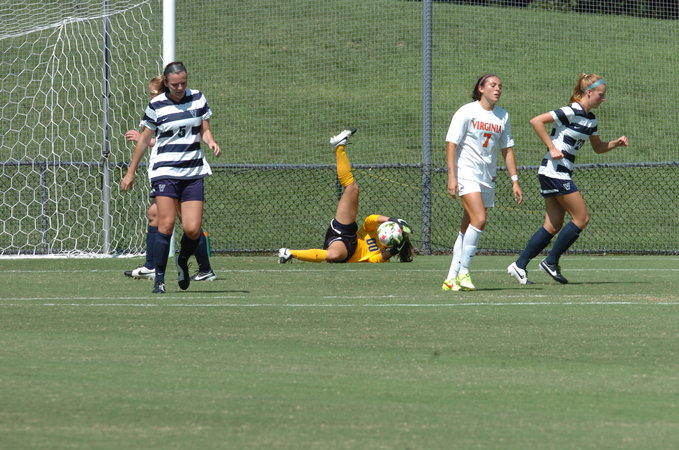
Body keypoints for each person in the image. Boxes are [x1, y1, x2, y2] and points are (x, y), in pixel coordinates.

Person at [507, 73, 629, 285]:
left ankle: (519, 265)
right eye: (600, 95)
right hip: (554, 171)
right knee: (582, 218)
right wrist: (552, 147)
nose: (603, 99)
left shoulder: (591, 119)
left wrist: (616, 143)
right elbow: (536, 121)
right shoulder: (571, 110)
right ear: (588, 92)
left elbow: (598, 147)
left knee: (553, 225)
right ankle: (551, 261)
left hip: (557, 172)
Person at [121, 61, 221, 293]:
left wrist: (211, 141)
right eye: (175, 84)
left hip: (193, 171)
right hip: (165, 171)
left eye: (183, 83)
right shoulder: (156, 105)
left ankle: (183, 261)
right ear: (166, 83)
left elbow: (204, 130)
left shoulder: (198, 98)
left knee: (192, 229)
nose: (180, 87)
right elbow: (144, 140)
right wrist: (130, 172)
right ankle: (159, 279)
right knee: (165, 223)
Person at [278, 128, 414, 264]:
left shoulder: (384, 252)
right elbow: (370, 220)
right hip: (347, 233)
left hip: (347, 252)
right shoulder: (374, 230)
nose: (384, 232)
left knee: (334, 255)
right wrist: (393, 220)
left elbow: (374, 260)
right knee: (352, 188)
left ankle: (289, 253)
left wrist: (394, 250)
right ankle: (339, 146)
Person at [442, 74, 523, 292]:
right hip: (466, 173)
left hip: (487, 177)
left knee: (467, 226)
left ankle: (450, 278)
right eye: (492, 85)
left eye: (500, 86)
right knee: (479, 219)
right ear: (481, 88)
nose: (497, 89)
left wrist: (515, 180)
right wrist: (452, 176)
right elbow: (451, 144)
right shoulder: (466, 111)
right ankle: (464, 272)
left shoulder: (502, 115)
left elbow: (507, 149)